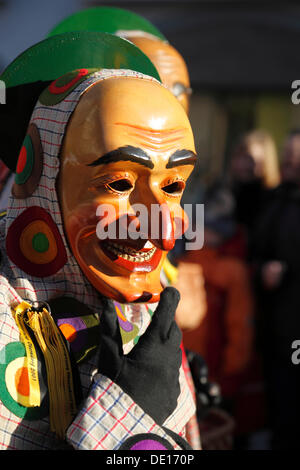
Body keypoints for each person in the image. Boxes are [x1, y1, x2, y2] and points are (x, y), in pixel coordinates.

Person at [0, 32, 197, 450]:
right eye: (120, 182)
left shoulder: (149, 318)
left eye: (175, 185)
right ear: (46, 184)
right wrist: (129, 430)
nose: (161, 225)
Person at [251, 129, 300, 449]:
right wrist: (261, 269)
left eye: (296, 159)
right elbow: (254, 249)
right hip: (274, 326)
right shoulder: (275, 199)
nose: (290, 164)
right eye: (287, 158)